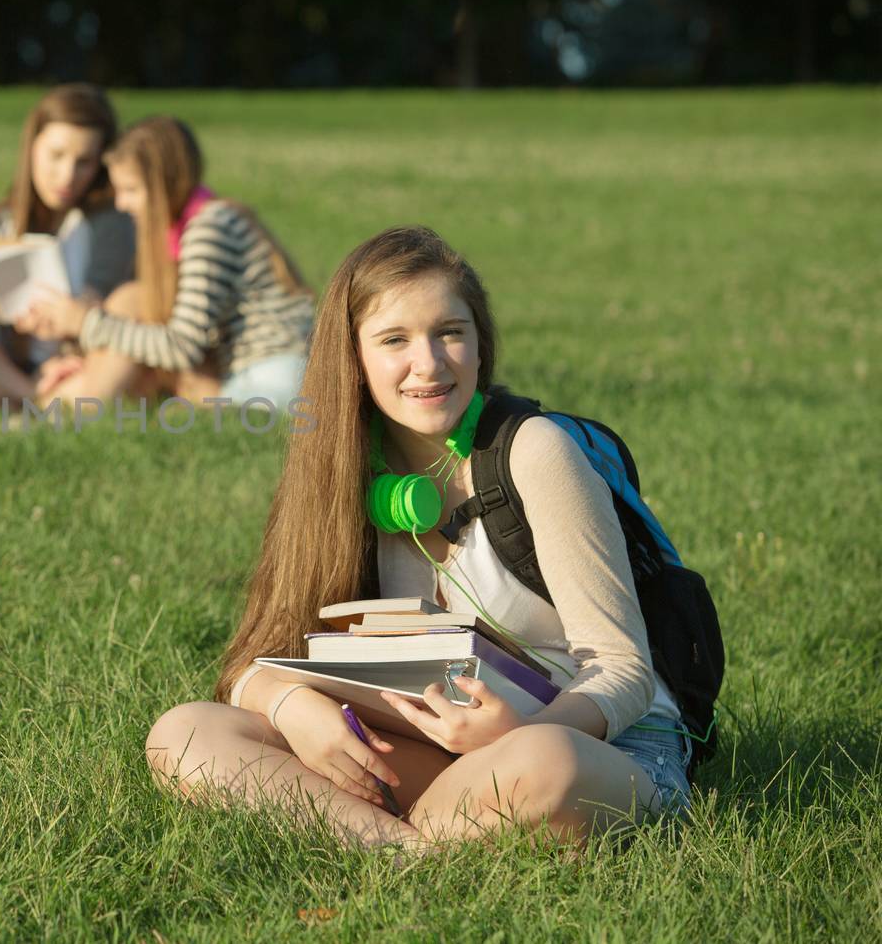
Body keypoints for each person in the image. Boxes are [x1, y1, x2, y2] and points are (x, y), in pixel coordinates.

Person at [144, 227, 693, 849]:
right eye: (394, 340)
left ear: (481, 346)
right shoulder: (334, 474)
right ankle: (408, 854)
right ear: (351, 357)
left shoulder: (538, 452)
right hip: (443, 759)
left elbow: (624, 670)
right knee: (183, 733)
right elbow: (253, 660)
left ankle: (382, 838)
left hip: (598, 749)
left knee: (546, 763)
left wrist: (521, 731)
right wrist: (292, 709)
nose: (428, 364)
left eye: (450, 333)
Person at [18, 116, 313, 409]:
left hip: (270, 378)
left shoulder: (208, 228)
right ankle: (46, 402)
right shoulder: (193, 223)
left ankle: (42, 404)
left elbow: (181, 348)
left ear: (165, 185)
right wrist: (86, 351)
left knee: (130, 307)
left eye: (131, 190)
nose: (121, 204)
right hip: (253, 372)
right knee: (131, 312)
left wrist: (85, 323)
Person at [0, 83, 135, 401]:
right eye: (56, 156)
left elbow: (100, 297)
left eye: (84, 162)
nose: (67, 175)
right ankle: (34, 401)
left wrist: (68, 328)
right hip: (14, 370)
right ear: (32, 147)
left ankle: (51, 401)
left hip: (88, 362)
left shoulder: (112, 221)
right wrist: (28, 389)